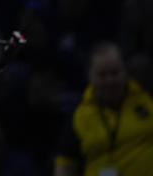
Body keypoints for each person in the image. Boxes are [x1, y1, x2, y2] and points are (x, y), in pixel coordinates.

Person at [53, 42, 153, 176]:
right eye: (102, 75)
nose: (110, 81)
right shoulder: (78, 117)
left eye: (115, 73)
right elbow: (65, 166)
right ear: (89, 76)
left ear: (125, 71)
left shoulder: (148, 101)